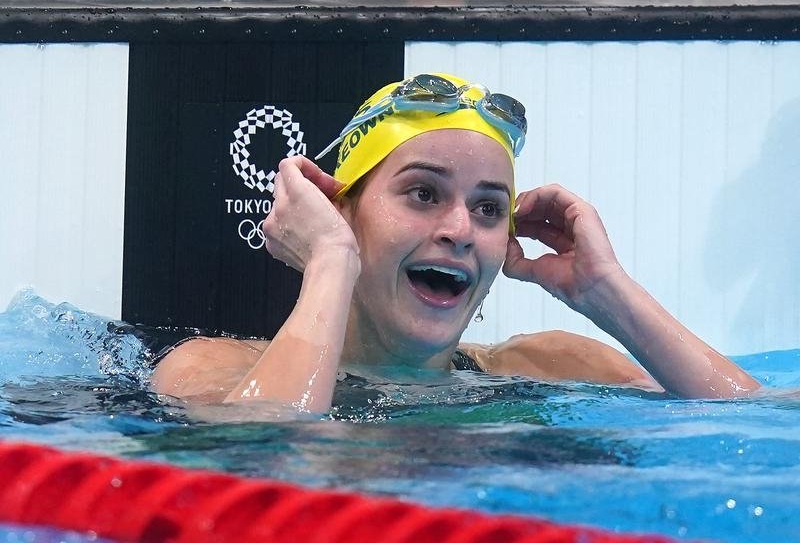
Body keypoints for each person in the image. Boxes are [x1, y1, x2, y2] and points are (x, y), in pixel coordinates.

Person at [150, 73, 760, 414]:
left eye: (489, 207)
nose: (461, 230)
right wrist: (332, 260)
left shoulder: (548, 364)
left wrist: (608, 293)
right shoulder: (212, 368)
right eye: (422, 194)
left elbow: (758, 425)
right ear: (340, 209)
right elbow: (269, 461)